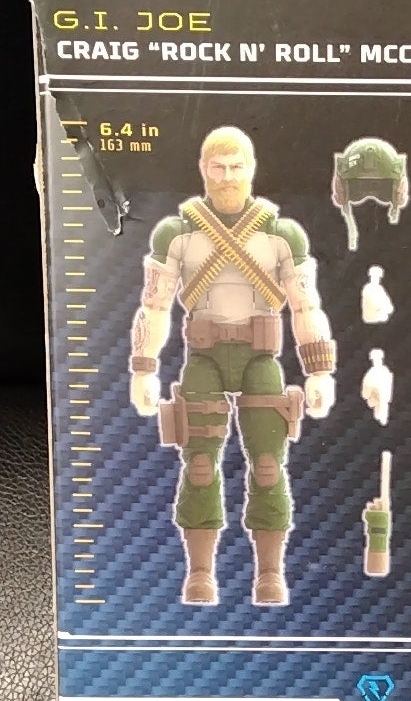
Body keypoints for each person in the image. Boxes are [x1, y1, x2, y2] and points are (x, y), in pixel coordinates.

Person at [128, 126, 337, 605]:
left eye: (236, 166)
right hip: (202, 359)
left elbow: (307, 306)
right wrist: (143, 366)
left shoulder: (282, 234)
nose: (227, 176)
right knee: (200, 464)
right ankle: (200, 573)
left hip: (262, 359)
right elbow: (154, 306)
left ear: (251, 169)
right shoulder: (176, 233)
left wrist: (319, 368)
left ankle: (270, 574)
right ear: (203, 169)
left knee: (268, 466)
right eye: (218, 167)